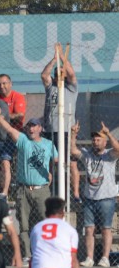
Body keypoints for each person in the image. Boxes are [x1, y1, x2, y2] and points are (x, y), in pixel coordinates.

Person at [0, 111, 58, 261]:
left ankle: (45, 253)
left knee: (45, 222)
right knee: (23, 224)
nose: (31, 129)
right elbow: (9, 129)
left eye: (34, 126)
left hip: (42, 190)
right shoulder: (23, 140)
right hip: (24, 189)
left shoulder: (48, 144)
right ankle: (27, 254)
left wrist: (51, 172)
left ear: (40, 128)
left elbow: (58, 160)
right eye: (29, 126)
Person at [70, 122, 119, 268]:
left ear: (105, 142)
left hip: (106, 198)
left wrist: (109, 133)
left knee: (106, 228)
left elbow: (118, 149)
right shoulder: (87, 154)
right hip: (90, 198)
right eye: (94, 139)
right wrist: (73, 134)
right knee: (89, 229)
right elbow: (73, 150)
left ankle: (105, 257)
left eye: (98, 139)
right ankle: (90, 258)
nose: (95, 142)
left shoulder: (109, 155)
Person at [41, 42, 79, 200]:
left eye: (62, 75)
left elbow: (71, 74)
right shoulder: (51, 87)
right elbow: (44, 75)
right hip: (50, 130)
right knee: (50, 161)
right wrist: (54, 59)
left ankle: (75, 193)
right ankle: (48, 190)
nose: (60, 77)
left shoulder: (71, 88)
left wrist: (62, 57)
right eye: (58, 75)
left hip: (66, 131)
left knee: (71, 163)